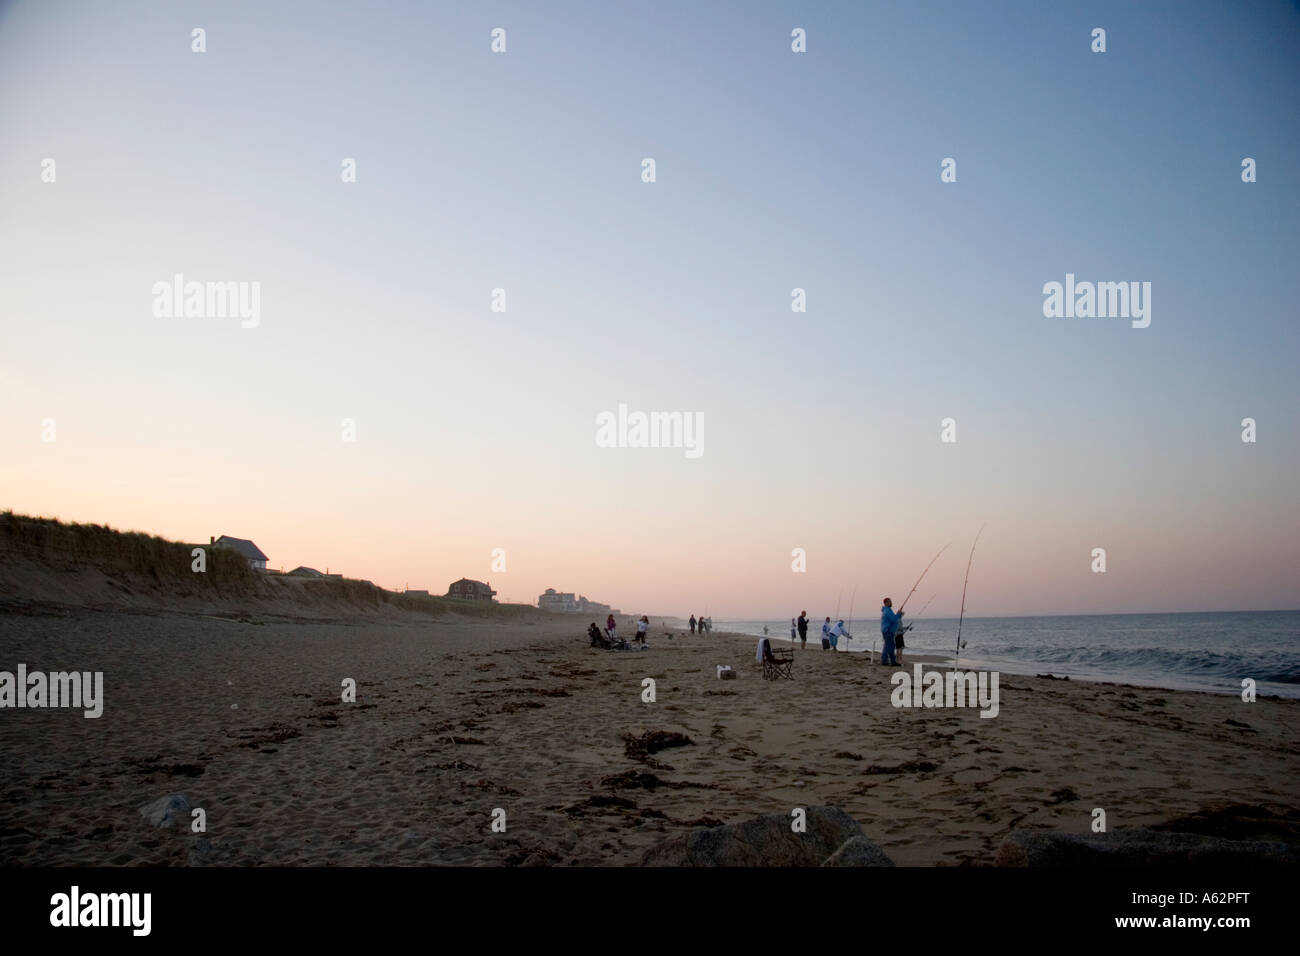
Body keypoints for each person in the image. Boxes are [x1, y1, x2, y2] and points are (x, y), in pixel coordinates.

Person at [880, 598, 903, 666]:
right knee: (891, 646)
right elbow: (894, 619)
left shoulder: (886, 611)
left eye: (891, 601)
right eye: (889, 602)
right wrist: (898, 614)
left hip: (887, 631)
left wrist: (898, 614)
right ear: (886, 603)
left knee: (887, 646)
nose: (891, 603)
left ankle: (885, 661)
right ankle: (892, 662)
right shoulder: (887, 611)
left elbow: (893, 619)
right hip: (888, 631)